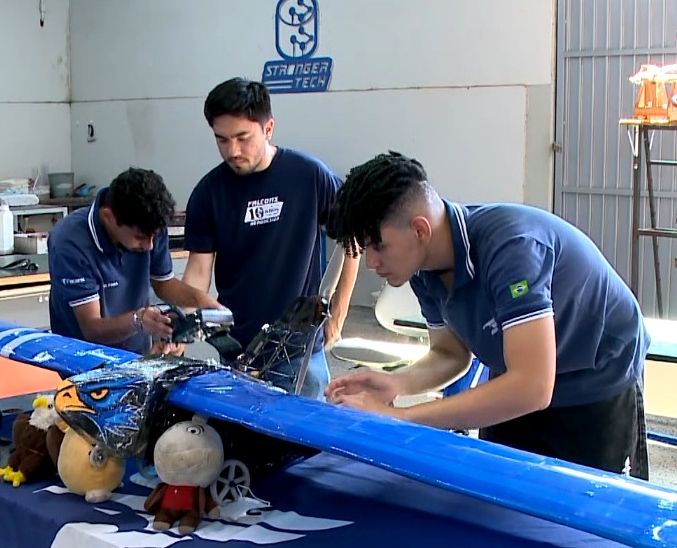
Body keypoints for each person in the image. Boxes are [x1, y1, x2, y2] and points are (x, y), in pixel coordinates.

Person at [323, 151, 650, 479]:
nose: (371, 263)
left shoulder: (512, 249)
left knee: (582, 510)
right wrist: (397, 383)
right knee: (499, 491)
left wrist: (402, 418)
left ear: (420, 230)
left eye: (378, 247)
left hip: (596, 378)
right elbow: (450, 354)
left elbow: (533, 387)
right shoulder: (422, 268)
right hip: (518, 375)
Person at [181, 77, 359, 400]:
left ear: (268, 128)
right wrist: (184, 320)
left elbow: (353, 237)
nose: (232, 151)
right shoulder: (208, 194)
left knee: (306, 445)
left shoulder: (309, 176)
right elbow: (197, 272)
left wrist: (340, 310)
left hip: (300, 351)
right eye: (221, 140)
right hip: (236, 348)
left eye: (242, 138)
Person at [48, 167, 222, 359]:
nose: (149, 246)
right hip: (81, 360)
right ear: (108, 217)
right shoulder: (70, 241)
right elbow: (92, 328)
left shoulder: (151, 224)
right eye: (140, 237)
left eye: (154, 237)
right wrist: (139, 320)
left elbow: (164, 285)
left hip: (136, 355)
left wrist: (204, 303)